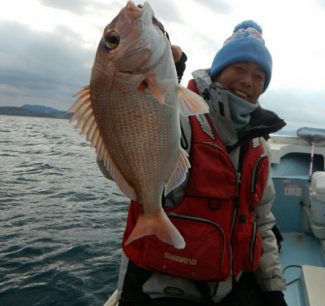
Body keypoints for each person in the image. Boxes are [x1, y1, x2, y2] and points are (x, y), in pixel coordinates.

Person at [108, 20, 287, 306]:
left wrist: (274, 288)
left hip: (231, 286)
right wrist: (156, 92)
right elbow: (112, 162)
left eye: (258, 76)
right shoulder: (182, 116)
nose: (247, 81)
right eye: (239, 68)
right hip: (163, 285)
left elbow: (262, 223)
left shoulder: (259, 146)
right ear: (217, 72)